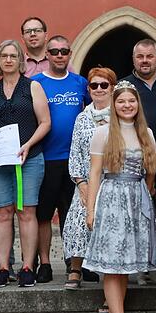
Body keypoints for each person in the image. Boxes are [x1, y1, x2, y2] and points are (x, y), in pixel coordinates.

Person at [84, 82, 156, 313]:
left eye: (131, 101)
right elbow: (94, 173)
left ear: (137, 104)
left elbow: (151, 171)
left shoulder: (147, 133)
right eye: (121, 102)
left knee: (125, 265)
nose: (127, 105)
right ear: (114, 105)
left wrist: (147, 195)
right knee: (112, 265)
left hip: (137, 197)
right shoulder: (103, 133)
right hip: (113, 198)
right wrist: (90, 209)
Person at [0, 39, 51, 288]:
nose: (8, 60)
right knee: (2, 212)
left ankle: (28, 267)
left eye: (13, 56)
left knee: (26, 211)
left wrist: (28, 145)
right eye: (4, 56)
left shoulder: (33, 87)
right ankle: (4, 268)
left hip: (28, 159)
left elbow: (45, 122)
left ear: (20, 60)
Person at [30, 35, 89, 283]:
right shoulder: (35, 83)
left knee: (73, 213)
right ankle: (44, 263)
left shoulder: (80, 82)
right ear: (47, 55)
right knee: (44, 214)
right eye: (54, 52)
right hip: (45, 157)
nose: (59, 55)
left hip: (74, 160)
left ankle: (74, 262)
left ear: (70, 53)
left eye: (64, 51)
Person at [62, 67, 115, 291]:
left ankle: (110, 274)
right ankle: (75, 268)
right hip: (85, 182)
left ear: (112, 88)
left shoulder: (120, 115)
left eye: (104, 85)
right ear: (89, 89)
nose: (99, 89)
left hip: (113, 181)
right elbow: (74, 152)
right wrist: (81, 183)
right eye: (94, 85)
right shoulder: (82, 118)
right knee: (77, 223)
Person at [121, 39, 156, 153]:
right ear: (133, 60)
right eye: (140, 57)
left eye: (149, 56)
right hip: (135, 153)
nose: (144, 60)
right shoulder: (123, 86)